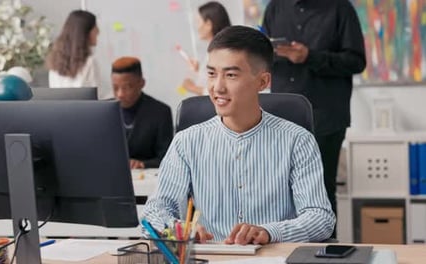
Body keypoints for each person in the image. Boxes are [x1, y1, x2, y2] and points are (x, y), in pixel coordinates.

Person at [143, 26, 335, 244]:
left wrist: (268, 232)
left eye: (231, 75)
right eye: (212, 74)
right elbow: (155, 212)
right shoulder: (186, 142)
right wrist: (180, 229)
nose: (217, 87)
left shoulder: (297, 141)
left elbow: (320, 219)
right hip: (211, 258)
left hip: (272, 257)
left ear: (262, 82)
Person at [262, 0, 366, 230]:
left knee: (321, 192)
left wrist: (310, 57)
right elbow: (263, 56)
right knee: (279, 193)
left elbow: (357, 61)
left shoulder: (340, 9)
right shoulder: (275, 8)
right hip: (280, 116)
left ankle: (325, 253)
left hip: (325, 117)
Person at [111, 57, 174, 169]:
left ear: (141, 83)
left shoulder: (160, 112)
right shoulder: (104, 112)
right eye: (115, 88)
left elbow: (167, 158)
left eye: (126, 87)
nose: (120, 94)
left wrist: (143, 164)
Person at [181, 1, 231, 95]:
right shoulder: (214, 51)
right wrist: (198, 71)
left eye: (198, 22)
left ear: (208, 24)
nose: (196, 27)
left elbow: (224, 91)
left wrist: (193, 87)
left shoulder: (221, 53)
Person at [47, 10, 101, 92]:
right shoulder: (89, 62)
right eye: (95, 27)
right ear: (85, 33)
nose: (98, 31)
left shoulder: (54, 62)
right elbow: (98, 96)